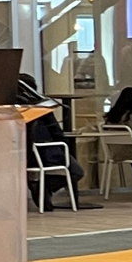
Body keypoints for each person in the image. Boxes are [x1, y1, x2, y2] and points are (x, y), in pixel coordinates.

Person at [18, 72, 84, 210]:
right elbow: (57, 132)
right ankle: (45, 186)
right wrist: (65, 145)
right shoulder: (42, 108)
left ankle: (41, 186)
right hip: (48, 153)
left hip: (22, 155)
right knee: (76, 171)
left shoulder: (12, 109)